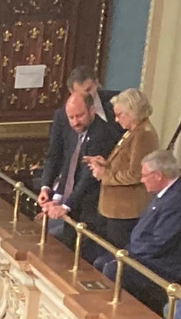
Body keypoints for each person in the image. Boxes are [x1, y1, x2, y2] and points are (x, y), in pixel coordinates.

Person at [91, 147, 181, 302]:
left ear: (157, 176)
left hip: (162, 264)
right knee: (101, 261)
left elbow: (160, 242)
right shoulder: (165, 192)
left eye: (144, 176)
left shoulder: (179, 200)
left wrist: (130, 254)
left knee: (113, 269)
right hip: (142, 254)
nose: (141, 180)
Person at [33, 82, 120, 249]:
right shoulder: (75, 132)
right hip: (73, 205)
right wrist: (57, 197)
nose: (74, 122)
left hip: (91, 208)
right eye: (71, 118)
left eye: (79, 116)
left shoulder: (101, 134)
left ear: (92, 111)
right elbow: (69, 165)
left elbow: (87, 178)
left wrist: (65, 205)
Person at [84, 86, 155, 251]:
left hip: (125, 212)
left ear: (133, 112)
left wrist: (104, 175)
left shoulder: (144, 134)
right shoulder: (132, 131)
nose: (116, 120)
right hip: (113, 210)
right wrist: (105, 163)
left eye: (119, 115)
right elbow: (123, 162)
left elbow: (137, 174)